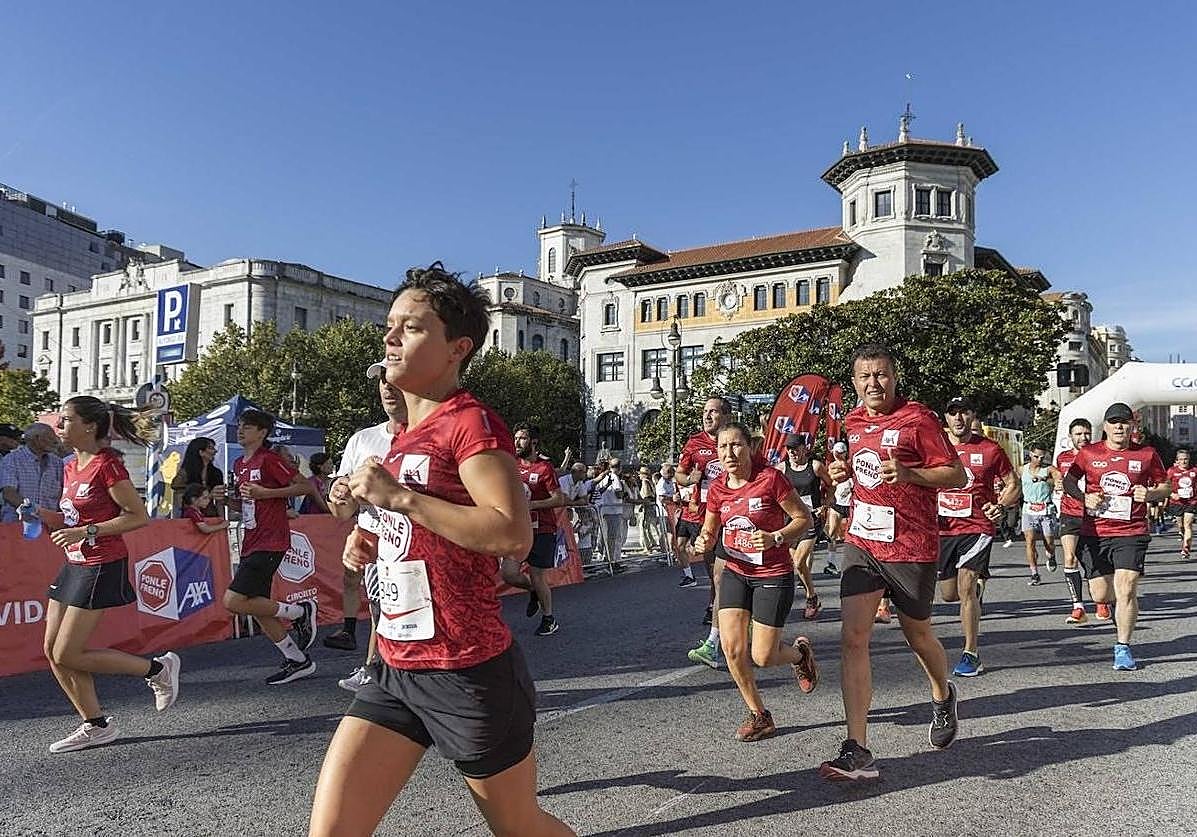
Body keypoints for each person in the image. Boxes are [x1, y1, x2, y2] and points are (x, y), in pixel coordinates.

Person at [309, 263, 574, 837]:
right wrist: (370, 537)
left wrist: (399, 498)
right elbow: (418, 532)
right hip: (393, 667)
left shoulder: (472, 424)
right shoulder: (404, 436)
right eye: (389, 325)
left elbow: (511, 534)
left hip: (468, 672)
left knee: (520, 828)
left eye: (411, 326)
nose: (391, 336)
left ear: (458, 348)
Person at [820, 344, 964, 782]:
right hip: (863, 540)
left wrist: (910, 473)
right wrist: (838, 474)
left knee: (917, 635)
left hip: (912, 544)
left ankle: (942, 695)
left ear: (894, 377)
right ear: (856, 382)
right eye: (864, 377)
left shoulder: (919, 420)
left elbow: (956, 475)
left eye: (880, 375)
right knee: (853, 637)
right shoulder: (853, 421)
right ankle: (857, 747)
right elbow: (847, 470)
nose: (873, 384)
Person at [37, 397, 180, 753]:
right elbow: (72, 519)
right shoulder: (70, 465)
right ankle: (96, 725)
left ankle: (156, 669)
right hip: (74, 561)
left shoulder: (107, 466)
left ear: (89, 426)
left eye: (66, 420)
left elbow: (137, 515)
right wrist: (43, 516)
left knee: (68, 652)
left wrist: (88, 532)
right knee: (52, 651)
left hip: (101, 562)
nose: (59, 426)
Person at [692, 421, 818, 741]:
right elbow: (710, 527)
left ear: (750, 447)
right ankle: (759, 715)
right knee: (732, 648)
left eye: (736, 445)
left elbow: (803, 519)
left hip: (773, 573)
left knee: (763, 656)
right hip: (737, 570)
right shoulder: (718, 487)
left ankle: (800, 655)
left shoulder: (770, 479)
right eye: (722, 447)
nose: (729, 452)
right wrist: (704, 540)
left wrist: (775, 537)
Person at [1063, 402, 1170, 672]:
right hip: (1095, 531)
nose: (1119, 426)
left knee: (1127, 587)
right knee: (1101, 592)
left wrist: (1153, 494)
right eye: (1113, 422)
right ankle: (1108, 606)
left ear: (1132, 425)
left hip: (1131, 531)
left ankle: (1123, 646)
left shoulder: (1146, 454)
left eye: (1124, 422)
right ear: (1106, 427)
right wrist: (1084, 496)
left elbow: (1164, 485)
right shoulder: (1089, 453)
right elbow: (1069, 481)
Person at [222, 409, 320, 685]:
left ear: (262, 432)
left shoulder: (270, 460)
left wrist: (268, 493)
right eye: (240, 426)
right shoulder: (240, 463)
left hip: (271, 539)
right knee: (255, 606)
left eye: (248, 427)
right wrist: (230, 502)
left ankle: (301, 611)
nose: (241, 431)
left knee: (233, 601)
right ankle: (297, 659)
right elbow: (248, 503)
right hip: (251, 537)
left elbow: (303, 487)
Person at [325, 362, 407, 678]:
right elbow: (342, 511)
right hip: (373, 542)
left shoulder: (431, 434)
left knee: (403, 617)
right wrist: (337, 492)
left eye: (394, 380)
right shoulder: (362, 439)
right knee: (379, 612)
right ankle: (375, 670)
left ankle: (381, 673)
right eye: (382, 382)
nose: (387, 387)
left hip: (418, 545)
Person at [936, 397, 1018, 678]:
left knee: (966, 586)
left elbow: (1012, 484)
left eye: (964, 413)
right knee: (949, 595)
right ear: (945, 418)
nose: (958, 418)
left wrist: (1001, 506)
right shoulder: (934, 448)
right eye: (953, 413)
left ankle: (971, 653)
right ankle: (974, 593)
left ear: (972, 416)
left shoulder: (990, 449)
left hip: (977, 527)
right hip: (943, 529)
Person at [678, 397, 732, 668]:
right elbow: (680, 475)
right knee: (716, 575)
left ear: (726, 416)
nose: (708, 416)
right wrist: (690, 480)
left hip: (737, 516)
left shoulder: (736, 440)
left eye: (714, 412)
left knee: (729, 575)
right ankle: (720, 627)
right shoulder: (694, 443)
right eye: (705, 412)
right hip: (706, 517)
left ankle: (726, 629)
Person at [512, 424, 566, 636]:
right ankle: (533, 591)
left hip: (542, 529)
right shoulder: (512, 464)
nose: (517, 442)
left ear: (533, 442)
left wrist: (532, 505)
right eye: (515, 437)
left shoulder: (544, 468)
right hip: (517, 528)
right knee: (508, 574)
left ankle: (549, 618)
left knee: (537, 575)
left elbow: (558, 498)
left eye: (522, 438)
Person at [777, 432, 832, 620]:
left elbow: (830, 485)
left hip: (811, 519)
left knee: (800, 561)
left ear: (804, 448)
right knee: (797, 566)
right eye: (789, 448)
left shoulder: (815, 467)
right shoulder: (781, 469)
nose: (792, 452)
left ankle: (810, 598)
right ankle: (813, 596)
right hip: (791, 521)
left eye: (795, 448)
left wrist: (825, 505)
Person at [1055, 418, 1097, 623]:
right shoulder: (1062, 458)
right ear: (1070, 436)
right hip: (1069, 514)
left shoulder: (1098, 455)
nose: (1083, 437)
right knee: (1069, 558)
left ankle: (1102, 600)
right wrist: (1055, 482)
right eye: (1078, 434)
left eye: (1087, 433)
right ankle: (1078, 606)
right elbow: (1058, 476)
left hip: (1093, 516)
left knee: (1093, 562)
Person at [1, 422, 64, 523]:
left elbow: (62, 494)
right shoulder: (12, 460)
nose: (55, 441)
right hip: (18, 524)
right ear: (37, 439)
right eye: (51, 437)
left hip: (49, 526)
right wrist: (35, 512)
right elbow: (9, 493)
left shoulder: (57, 463)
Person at [1021, 445, 1060, 584]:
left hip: (1045, 510)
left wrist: (1046, 480)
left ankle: (1051, 555)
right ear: (1030, 454)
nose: (1039, 460)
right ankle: (1034, 574)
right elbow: (1012, 482)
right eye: (1036, 456)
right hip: (1028, 509)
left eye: (1042, 457)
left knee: (1048, 542)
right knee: (1030, 541)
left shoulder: (1048, 469)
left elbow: (1057, 477)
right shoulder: (1022, 469)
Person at [170, 436, 226, 517]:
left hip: (210, 516)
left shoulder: (216, 473)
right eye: (210, 448)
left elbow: (219, 502)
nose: (215, 451)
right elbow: (180, 500)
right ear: (201, 452)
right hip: (190, 518)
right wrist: (209, 495)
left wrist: (222, 520)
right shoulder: (185, 473)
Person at [593, 458, 630, 565]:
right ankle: (611, 560)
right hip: (614, 511)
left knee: (608, 536)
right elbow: (618, 493)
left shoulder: (604, 476)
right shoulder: (614, 477)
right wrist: (625, 495)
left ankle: (608, 557)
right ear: (620, 467)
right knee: (613, 537)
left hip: (605, 510)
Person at [1167, 446, 1197, 559]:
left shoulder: (1194, 471)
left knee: (1188, 524)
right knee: (1181, 525)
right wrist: (1171, 494)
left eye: (1186, 459)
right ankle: (1182, 532)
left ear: (1189, 459)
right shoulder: (1171, 471)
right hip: (1177, 503)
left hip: (1191, 502)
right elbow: (1165, 486)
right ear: (1177, 460)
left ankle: (1186, 549)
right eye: (1181, 459)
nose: (1184, 461)